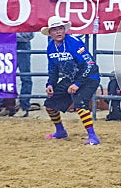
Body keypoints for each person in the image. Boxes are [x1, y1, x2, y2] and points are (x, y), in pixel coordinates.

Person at [41, 16, 101, 145]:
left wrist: (77, 84)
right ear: (50, 33)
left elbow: (89, 65)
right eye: (55, 29)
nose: (58, 32)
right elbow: (53, 69)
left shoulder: (74, 42)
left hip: (90, 78)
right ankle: (60, 131)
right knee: (50, 105)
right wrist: (50, 83)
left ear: (64, 30)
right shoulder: (51, 47)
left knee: (80, 103)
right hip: (71, 79)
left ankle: (92, 136)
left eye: (60, 29)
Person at [16, 32, 34, 117]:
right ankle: (8, 105)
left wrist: (9, 35)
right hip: (8, 43)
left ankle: (24, 106)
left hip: (21, 44)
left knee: (25, 76)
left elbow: (30, 35)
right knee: (5, 76)